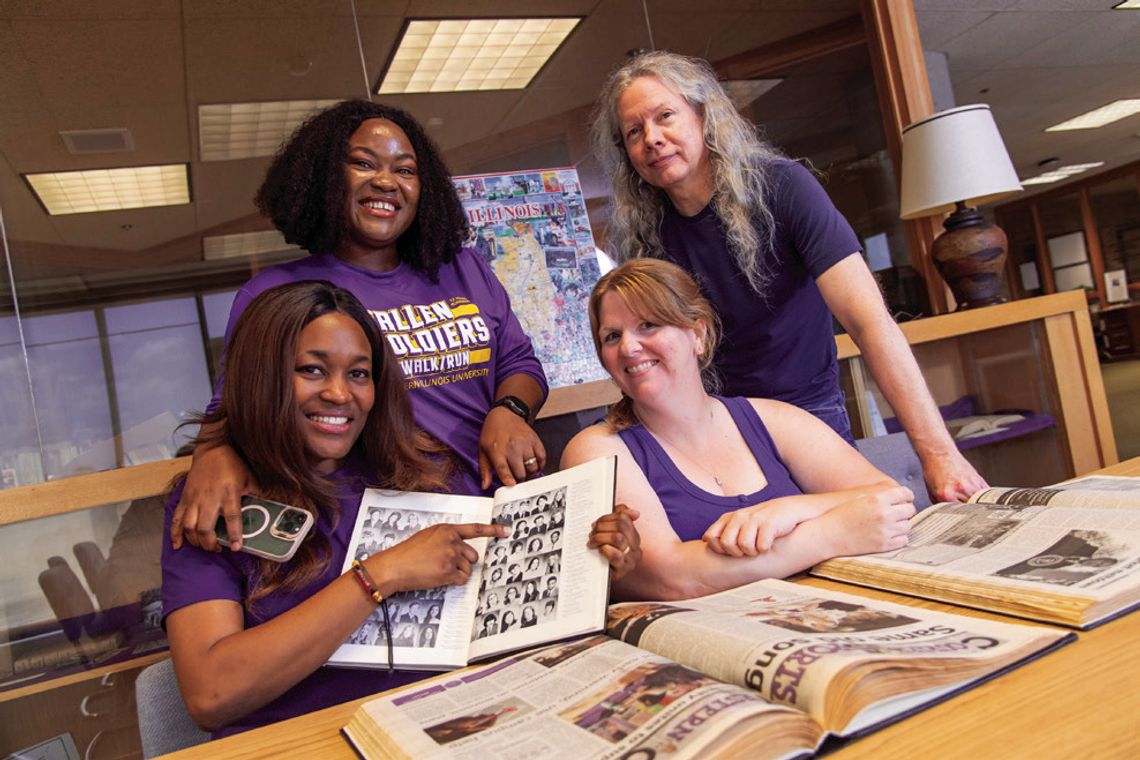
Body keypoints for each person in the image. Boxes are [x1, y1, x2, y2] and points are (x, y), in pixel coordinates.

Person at [590, 51, 986, 503]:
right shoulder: (643, 233)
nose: (652, 139)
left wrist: (938, 455)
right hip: (715, 429)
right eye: (634, 132)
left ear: (703, 116)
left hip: (809, 415)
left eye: (665, 117)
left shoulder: (784, 188)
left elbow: (870, 322)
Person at [172, 99, 550, 553]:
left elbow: (519, 361)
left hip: (506, 505)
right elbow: (236, 410)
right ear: (327, 179)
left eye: (405, 170)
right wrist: (212, 457)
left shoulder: (461, 267)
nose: (386, 181)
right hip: (392, 536)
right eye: (363, 164)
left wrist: (509, 409)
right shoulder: (277, 292)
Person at [161, 281, 509, 738]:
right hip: (301, 743)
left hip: (441, 725)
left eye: (359, 374)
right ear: (262, 376)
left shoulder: (416, 468)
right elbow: (211, 694)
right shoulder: (216, 499)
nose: (340, 394)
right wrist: (379, 576)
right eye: (312, 370)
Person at [560, 259, 915, 601]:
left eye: (648, 325)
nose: (628, 347)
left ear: (697, 333)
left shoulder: (773, 419)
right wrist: (828, 534)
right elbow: (671, 577)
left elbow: (891, 498)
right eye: (611, 336)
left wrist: (790, 510)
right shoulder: (596, 449)